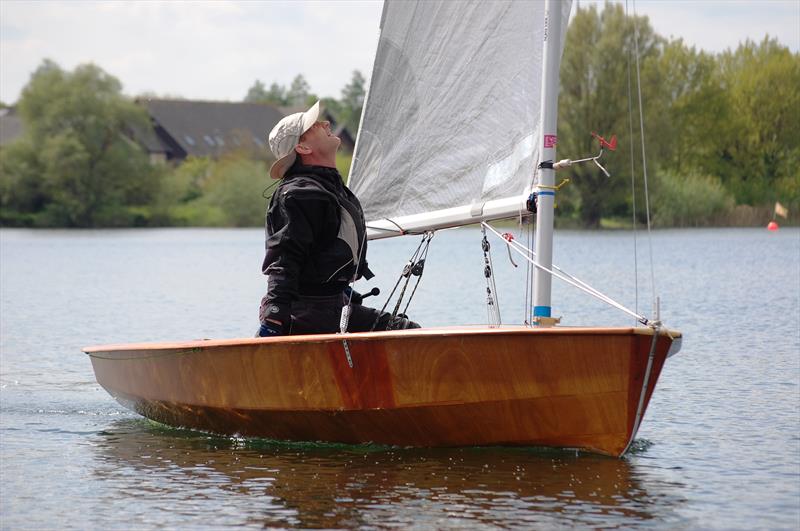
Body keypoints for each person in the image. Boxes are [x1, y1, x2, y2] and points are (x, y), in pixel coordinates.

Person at [257, 101, 420, 337]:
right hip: (306, 313)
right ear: (302, 147)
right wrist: (274, 314)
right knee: (408, 334)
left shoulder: (327, 188)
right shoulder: (300, 194)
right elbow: (285, 258)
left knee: (405, 332)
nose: (325, 123)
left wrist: (339, 289)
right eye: (314, 125)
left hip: (331, 306)